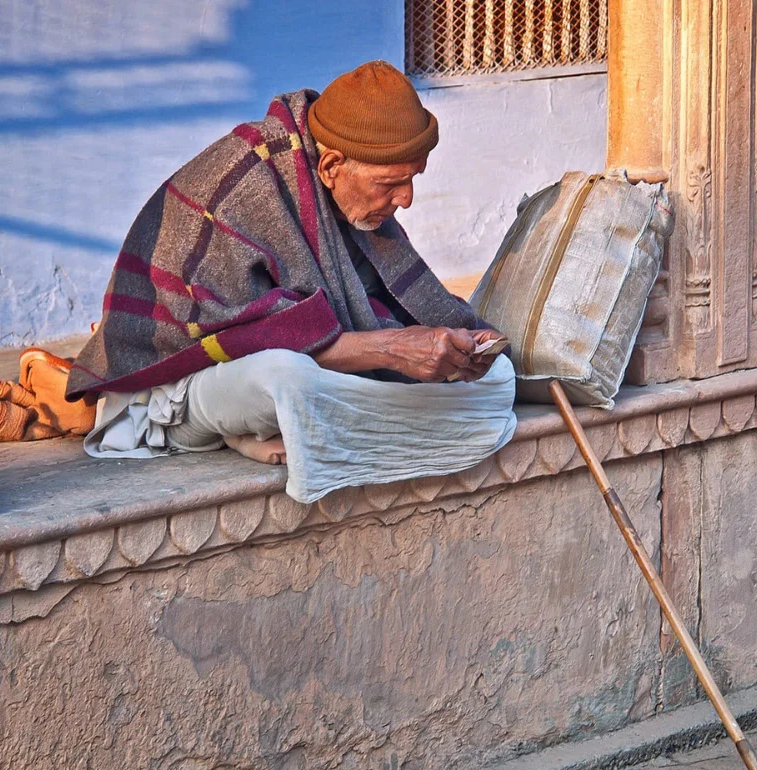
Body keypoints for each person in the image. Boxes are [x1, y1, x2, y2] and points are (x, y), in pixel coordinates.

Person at [64, 61, 517, 503]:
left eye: (413, 180)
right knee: (287, 378)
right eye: (392, 184)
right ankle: (225, 430)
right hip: (178, 382)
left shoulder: (343, 195)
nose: (407, 199)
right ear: (331, 166)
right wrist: (395, 349)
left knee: (495, 380)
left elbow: (393, 300)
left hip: (271, 373)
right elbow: (246, 338)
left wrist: (462, 343)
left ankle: (255, 430)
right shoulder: (243, 187)